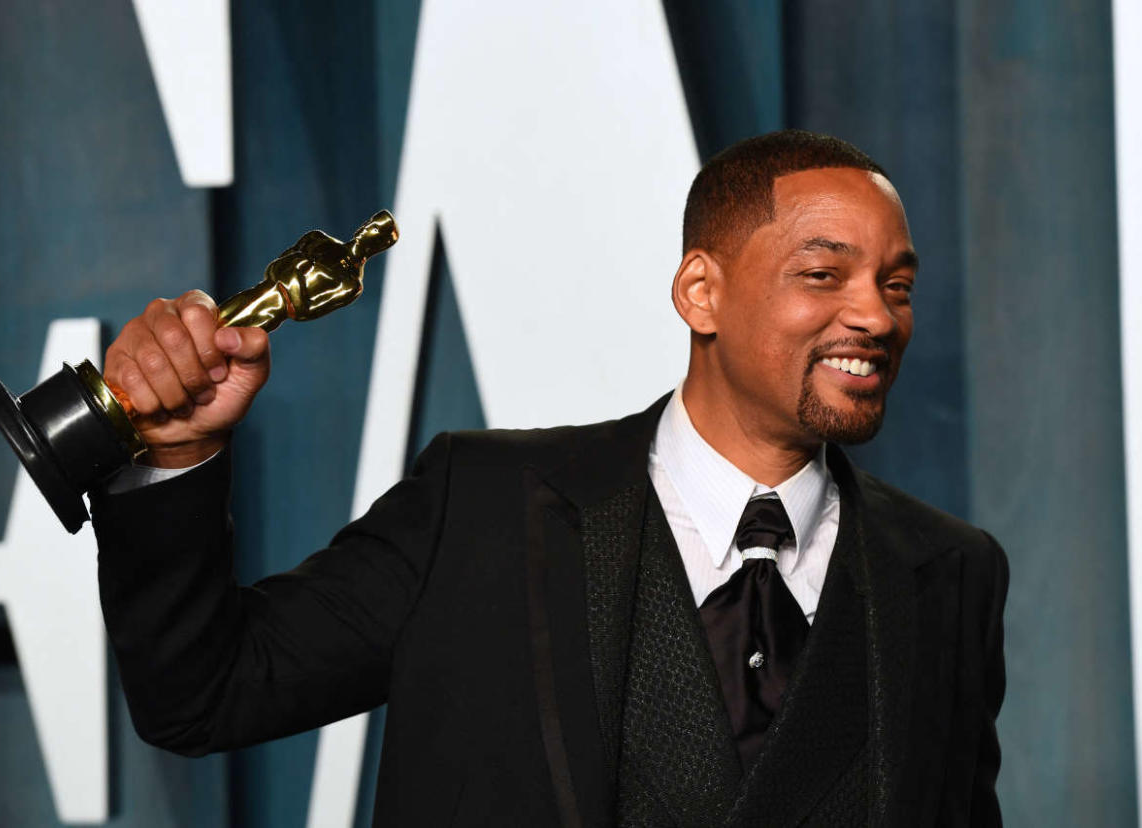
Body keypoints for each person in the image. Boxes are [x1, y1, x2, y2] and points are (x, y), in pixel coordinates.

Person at [93, 130, 1007, 826]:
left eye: (897, 285)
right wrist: (175, 455)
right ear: (701, 293)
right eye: (823, 273)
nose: (876, 318)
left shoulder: (951, 574)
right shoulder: (482, 505)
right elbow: (202, 696)